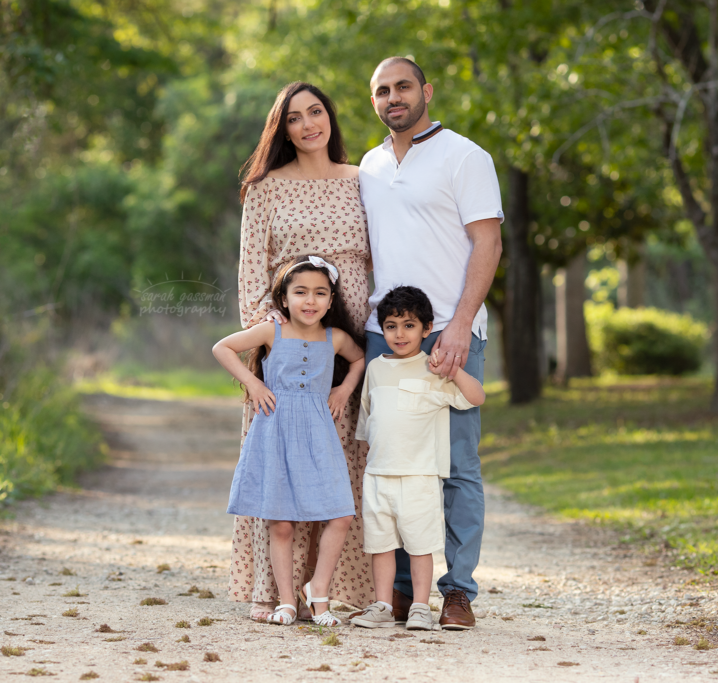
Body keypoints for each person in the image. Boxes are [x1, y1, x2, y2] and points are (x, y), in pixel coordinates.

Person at [359, 57, 504, 630]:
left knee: (457, 465)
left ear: (427, 91)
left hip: (450, 325)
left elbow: (487, 244)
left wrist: (462, 323)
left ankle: (457, 592)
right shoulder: (368, 166)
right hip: (385, 331)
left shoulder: (465, 157)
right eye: (381, 91)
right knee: (391, 461)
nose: (393, 97)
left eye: (402, 86)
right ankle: (399, 593)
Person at [233, 82, 374, 621]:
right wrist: (265, 337)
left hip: (352, 337)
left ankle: (334, 588)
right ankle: (279, 593)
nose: (308, 124)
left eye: (316, 112)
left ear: (331, 118)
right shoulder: (266, 188)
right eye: (294, 117)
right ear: (282, 128)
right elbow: (251, 268)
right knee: (285, 467)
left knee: (342, 464)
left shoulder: (363, 180)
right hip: (291, 344)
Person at [213, 256, 367, 626]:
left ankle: (319, 592)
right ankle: (285, 601)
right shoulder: (272, 331)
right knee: (281, 523)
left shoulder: (336, 338)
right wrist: (253, 383)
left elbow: (360, 359)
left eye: (319, 293)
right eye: (300, 292)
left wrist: (344, 388)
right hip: (275, 429)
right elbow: (222, 348)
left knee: (341, 514)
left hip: (318, 432)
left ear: (331, 301)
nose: (310, 301)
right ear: (283, 299)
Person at [350, 286, 485, 631]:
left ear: (427, 329)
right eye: (391, 326)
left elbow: (476, 397)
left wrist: (452, 371)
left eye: (409, 325)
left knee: (419, 544)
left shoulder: (433, 369)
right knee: (380, 544)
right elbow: (368, 420)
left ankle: (421, 607)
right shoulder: (376, 368)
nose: (399, 333)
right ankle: (383, 604)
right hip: (379, 475)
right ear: (382, 330)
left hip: (420, 476)